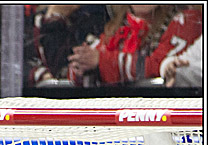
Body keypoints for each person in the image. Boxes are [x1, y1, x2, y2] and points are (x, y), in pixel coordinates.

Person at [67, 5, 203, 86]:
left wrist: (102, 61)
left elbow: (160, 68)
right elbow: (76, 73)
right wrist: (81, 65)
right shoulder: (117, 26)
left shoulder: (187, 20)